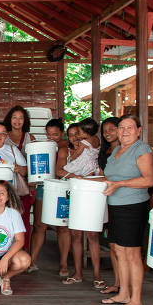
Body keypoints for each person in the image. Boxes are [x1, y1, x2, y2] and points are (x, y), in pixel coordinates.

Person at [100, 115, 153, 305]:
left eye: (129, 127)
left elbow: (150, 180)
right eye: (121, 127)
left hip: (132, 206)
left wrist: (120, 184)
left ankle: (136, 299)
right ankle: (124, 293)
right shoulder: (116, 150)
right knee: (119, 251)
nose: (124, 131)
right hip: (114, 206)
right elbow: (110, 177)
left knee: (131, 253)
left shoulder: (141, 149)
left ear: (139, 130)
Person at [59, 121, 104, 288]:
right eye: (71, 135)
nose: (75, 137)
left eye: (77, 133)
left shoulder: (91, 145)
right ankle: (77, 273)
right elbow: (60, 171)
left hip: (92, 191)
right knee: (75, 235)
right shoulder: (68, 150)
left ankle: (97, 275)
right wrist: (75, 176)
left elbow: (100, 172)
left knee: (92, 235)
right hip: (76, 191)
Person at [29, 118, 71, 277]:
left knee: (62, 227)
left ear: (62, 133)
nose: (52, 137)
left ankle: (64, 264)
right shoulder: (45, 146)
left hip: (63, 188)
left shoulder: (69, 146)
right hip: (44, 187)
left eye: (55, 134)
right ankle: (32, 261)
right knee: (39, 225)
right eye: (49, 134)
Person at [4, 105, 35, 251]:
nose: (17, 121)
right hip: (6, 185)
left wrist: (24, 169)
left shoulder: (30, 138)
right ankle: (7, 253)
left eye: (21, 118)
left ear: (25, 120)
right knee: (6, 219)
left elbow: (36, 164)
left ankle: (24, 252)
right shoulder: (4, 136)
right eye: (14, 117)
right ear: (9, 119)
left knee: (23, 220)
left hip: (24, 184)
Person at [97, 116, 121, 295]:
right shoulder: (105, 152)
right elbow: (103, 175)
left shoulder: (127, 150)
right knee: (112, 242)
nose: (107, 134)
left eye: (111, 129)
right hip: (107, 199)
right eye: (104, 131)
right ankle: (118, 281)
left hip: (124, 199)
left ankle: (123, 284)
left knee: (122, 246)